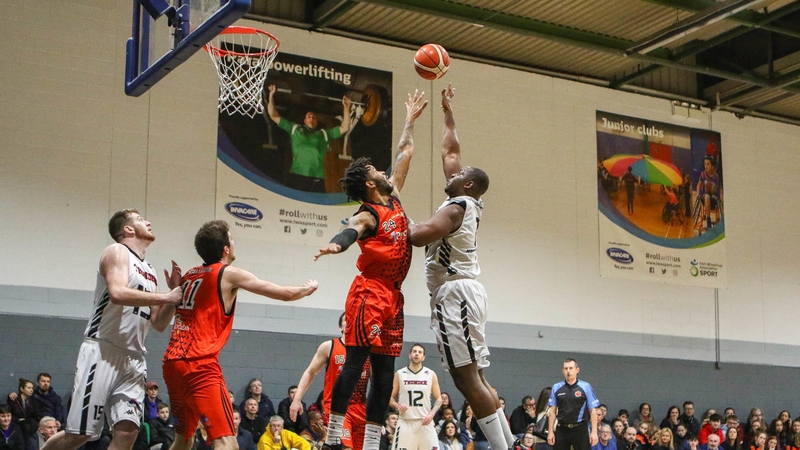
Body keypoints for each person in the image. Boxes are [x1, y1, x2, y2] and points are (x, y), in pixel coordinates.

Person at [314, 89, 428, 450]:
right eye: (376, 171)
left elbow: (405, 153)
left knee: (384, 372)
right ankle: (333, 436)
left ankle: (372, 441)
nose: (383, 171)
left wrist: (409, 120)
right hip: (370, 291)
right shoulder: (368, 211)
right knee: (356, 362)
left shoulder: (392, 196)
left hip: (394, 295)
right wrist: (338, 243)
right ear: (368, 182)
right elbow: (352, 228)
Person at [407, 84, 514, 450]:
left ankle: (505, 447)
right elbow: (450, 149)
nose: (452, 169)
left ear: (467, 183)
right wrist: (447, 109)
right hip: (458, 293)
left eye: (460, 172)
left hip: (457, 293)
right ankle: (510, 442)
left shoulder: (456, 207)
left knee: (466, 380)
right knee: (475, 377)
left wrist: (391, 211)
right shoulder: (462, 198)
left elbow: (418, 235)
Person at [162, 220, 318, 450]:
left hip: (172, 364)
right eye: (232, 238)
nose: (235, 242)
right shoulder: (227, 274)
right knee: (227, 443)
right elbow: (283, 293)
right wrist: (306, 289)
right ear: (226, 249)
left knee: (183, 440)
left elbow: (158, 323)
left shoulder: (189, 276)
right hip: (200, 366)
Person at [41, 210, 184, 450]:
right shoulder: (116, 251)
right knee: (80, 434)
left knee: (128, 432)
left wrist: (172, 299)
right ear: (128, 229)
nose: (148, 222)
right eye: (140, 219)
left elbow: (158, 323)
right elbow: (117, 293)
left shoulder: (150, 270)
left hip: (135, 358)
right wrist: (166, 296)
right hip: (103, 351)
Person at [289, 313, 369, 450]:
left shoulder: (368, 349)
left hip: (360, 408)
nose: (351, 323)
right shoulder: (329, 346)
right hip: (337, 407)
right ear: (340, 327)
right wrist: (297, 399)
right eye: (346, 320)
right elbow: (310, 372)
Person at [266, 84, 352, 193]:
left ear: (316, 122)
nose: (311, 117)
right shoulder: (295, 128)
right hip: (297, 174)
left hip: (317, 177)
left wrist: (346, 108)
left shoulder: (325, 134)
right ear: (305, 121)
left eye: (313, 117)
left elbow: (345, 127)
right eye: (308, 116)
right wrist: (271, 96)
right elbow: (273, 115)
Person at [389, 344, 442, 450]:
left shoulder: (430, 374)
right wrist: (397, 405)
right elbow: (389, 397)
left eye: (420, 352)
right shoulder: (400, 374)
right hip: (405, 422)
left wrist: (431, 414)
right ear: (409, 355)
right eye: (414, 351)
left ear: (424, 357)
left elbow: (439, 399)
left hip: (425, 422)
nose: (416, 354)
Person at [546, 359, 600, 450]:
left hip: (580, 429)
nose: (568, 371)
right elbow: (552, 412)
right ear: (562, 371)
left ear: (577, 370)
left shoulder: (586, 386)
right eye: (566, 368)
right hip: (562, 428)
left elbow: (593, 411)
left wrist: (594, 432)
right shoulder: (556, 387)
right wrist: (550, 431)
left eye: (571, 368)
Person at [695, 156, 722, 230]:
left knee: (711, 197)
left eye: (708, 164)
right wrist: (697, 193)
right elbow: (698, 185)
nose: (706, 166)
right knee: (707, 196)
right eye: (705, 164)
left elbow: (720, 189)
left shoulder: (716, 176)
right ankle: (708, 219)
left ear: (713, 166)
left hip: (713, 198)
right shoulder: (703, 174)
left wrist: (721, 198)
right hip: (705, 197)